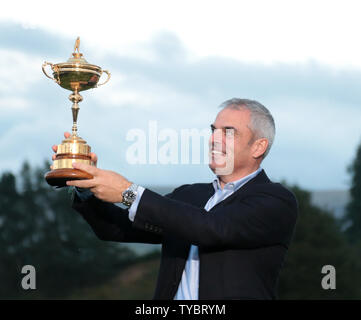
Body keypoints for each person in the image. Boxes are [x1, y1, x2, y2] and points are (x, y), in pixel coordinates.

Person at [52, 98, 298, 300]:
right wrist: (86, 184)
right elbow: (117, 229)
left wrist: (130, 192)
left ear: (258, 147)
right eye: (214, 130)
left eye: (228, 132)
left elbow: (212, 228)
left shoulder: (275, 201)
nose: (214, 138)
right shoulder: (190, 195)